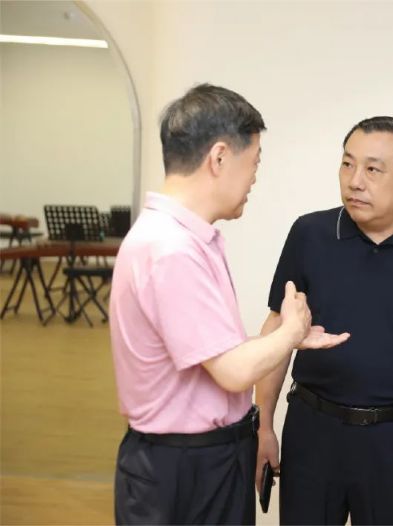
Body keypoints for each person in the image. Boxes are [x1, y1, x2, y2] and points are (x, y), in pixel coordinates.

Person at [109, 83, 348, 525]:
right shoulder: (171, 250)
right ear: (219, 158)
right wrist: (290, 332)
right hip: (185, 467)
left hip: (201, 459)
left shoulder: (184, 240)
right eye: (253, 162)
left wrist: (287, 339)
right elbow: (232, 370)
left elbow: (217, 354)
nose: (254, 178)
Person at [255, 116, 393, 524]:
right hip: (314, 429)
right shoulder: (309, 233)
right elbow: (278, 329)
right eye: (347, 164)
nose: (354, 181)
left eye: (373, 169)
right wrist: (263, 425)